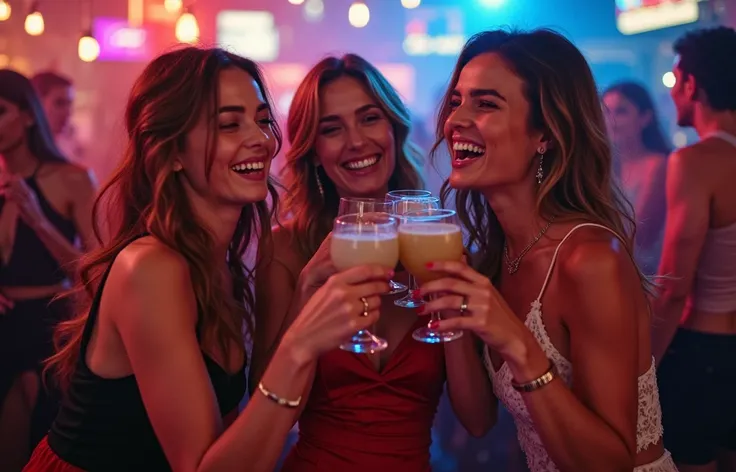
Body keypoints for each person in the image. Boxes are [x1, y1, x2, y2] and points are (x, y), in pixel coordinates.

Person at [22, 46, 392, 472]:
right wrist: (301, 344)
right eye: (229, 124)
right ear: (172, 151)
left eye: (262, 119)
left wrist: (306, 287)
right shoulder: (151, 269)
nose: (260, 139)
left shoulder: (217, 262)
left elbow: (232, 435)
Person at [417, 29, 677, 471]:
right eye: (457, 101)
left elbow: (612, 463)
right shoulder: (498, 255)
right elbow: (478, 419)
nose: (456, 119)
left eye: (486, 103)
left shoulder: (590, 259)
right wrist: (451, 309)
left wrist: (518, 343)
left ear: (546, 134)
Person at [251, 54, 494, 471]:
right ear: (312, 152)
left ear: (394, 130)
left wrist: (450, 308)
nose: (357, 141)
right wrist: (307, 289)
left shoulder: (435, 245)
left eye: (369, 119)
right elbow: (267, 417)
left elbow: (477, 421)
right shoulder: (288, 251)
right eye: (332, 129)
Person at [0, 69, 96, 471]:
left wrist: (37, 219)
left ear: (26, 115)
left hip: (45, 326)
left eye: (0, 111)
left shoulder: (71, 178)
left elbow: (95, 271)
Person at [652, 26, 736, 472]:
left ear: (691, 83)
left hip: (706, 350)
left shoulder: (695, 162)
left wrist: (642, 372)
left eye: (674, 78)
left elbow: (673, 287)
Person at [603, 81, 671, 275]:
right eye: (607, 112)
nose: (612, 120)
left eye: (621, 112)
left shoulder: (657, 164)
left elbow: (641, 233)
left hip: (645, 273)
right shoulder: (603, 166)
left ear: (645, 118)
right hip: (609, 267)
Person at [30, 72, 83, 165]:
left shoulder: (66, 152)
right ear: (36, 104)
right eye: (59, 103)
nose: (68, 113)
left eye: (69, 104)